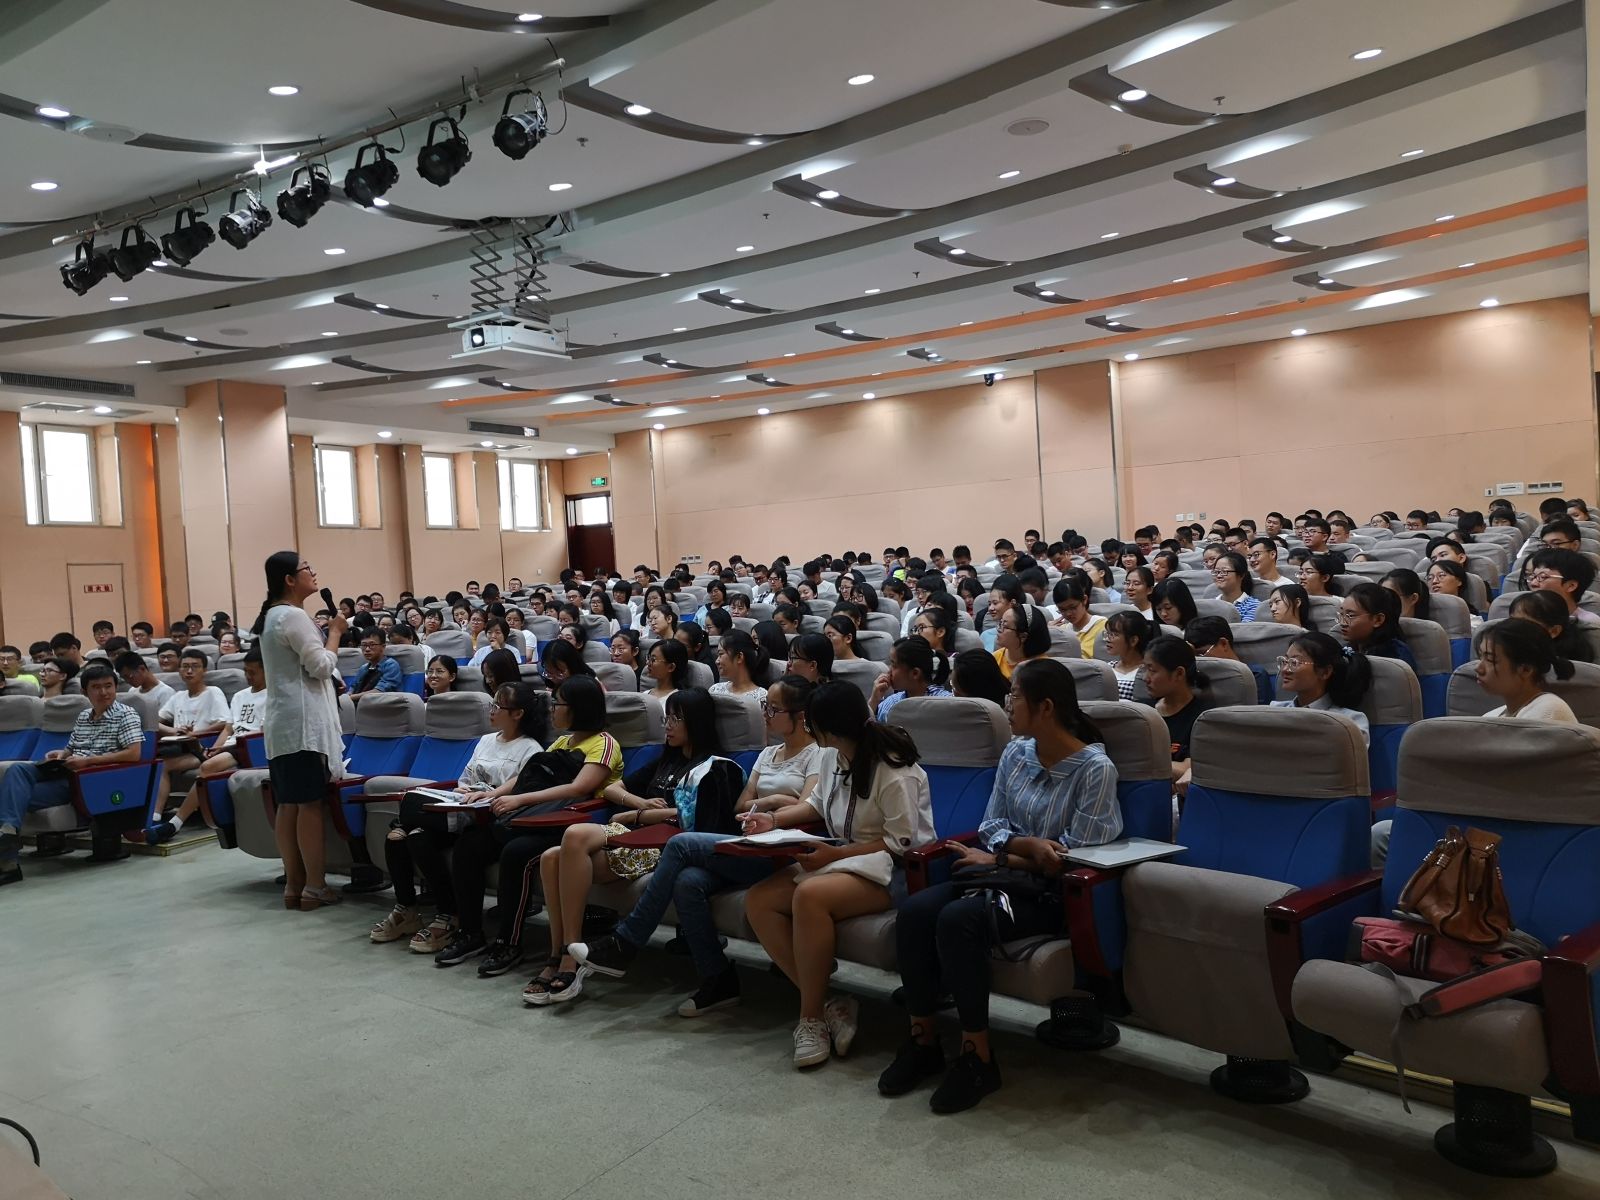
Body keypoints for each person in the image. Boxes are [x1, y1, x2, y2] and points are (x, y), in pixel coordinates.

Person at [879, 659, 1120, 1111]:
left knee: (958, 919)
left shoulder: (1094, 769)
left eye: (1015, 696)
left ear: (1045, 707)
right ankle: (923, 1040)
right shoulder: (1016, 752)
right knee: (914, 913)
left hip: (1051, 895)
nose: (1007, 705)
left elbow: (1071, 856)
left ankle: (978, 1057)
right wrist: (1025, 847)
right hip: (999, 875)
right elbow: (991, 825)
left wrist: (1005, 855)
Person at [573, 677, 826, 1015]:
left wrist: (773, 809)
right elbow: (739, 807)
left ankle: (627, 940)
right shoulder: (768, 754)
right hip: (747, 845)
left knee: (681, 844)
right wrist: (773, 802)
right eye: (765, 707)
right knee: (687, 881)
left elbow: (808, 807)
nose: (765, 714)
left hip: (781, 853)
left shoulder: (818, 755)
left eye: (773, 709)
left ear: (800, 715)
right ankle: (718, 978)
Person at [741, 682, 937, 1069]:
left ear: (828, 729)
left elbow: (900, 843)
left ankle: (810, 1019)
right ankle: (830, 1004)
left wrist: (837, 854)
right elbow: (816, 804)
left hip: (895, 869)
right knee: (759, 900)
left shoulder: (893, 769)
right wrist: (773, 820)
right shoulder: (832, 756)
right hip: (844, 857)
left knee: (809, 895)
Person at [528, 688, 745, 1003]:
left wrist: (638, 814)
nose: (668, 726)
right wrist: (639, 803)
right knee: (551, 857)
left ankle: (568, 959)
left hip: (662, 846)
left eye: (676, 719)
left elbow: (694, 818)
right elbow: (613, 790)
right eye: (666, 718)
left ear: (697, 722)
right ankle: (561, 953)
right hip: (632, 836)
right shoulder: (665, 760)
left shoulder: (713, 768)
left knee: (572, 838)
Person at [428, 675, 623, 970]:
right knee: (470, 843)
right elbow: (526, 778)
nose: (552, 710)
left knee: (516, 853)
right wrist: (494, 794)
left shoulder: (604, 743)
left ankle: (508, 942)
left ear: (578, 708)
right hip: (536, 817)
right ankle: (470, 932)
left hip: (572, 825)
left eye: (558, 703)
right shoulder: (563, 741)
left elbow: (579, 788)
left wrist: (519, 800)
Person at [374, 682, 547, 949]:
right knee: (404, 838)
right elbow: (465, 778)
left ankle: (448, 915)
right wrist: (463, 789)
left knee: (410, 824)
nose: (491, 710)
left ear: (517, 713)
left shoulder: (531, 749)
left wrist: (488, 794)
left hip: (490, 816)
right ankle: (409, 910)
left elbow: (520, 788)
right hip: (463, 806)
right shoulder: (486, 740)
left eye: (497, 706)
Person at [251, 551, 348, 910]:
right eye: (307, 568)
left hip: (283, 723)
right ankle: (316, 886)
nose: (313, 572)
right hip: (303, 724)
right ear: (290, 579)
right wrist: (335, 633)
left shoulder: (272, 616)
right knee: (308, 804)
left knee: (289, 804)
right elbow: (321, 666)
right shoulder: (292, 616)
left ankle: (294, 886)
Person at [0, 662, 142, 884]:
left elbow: (134, 754)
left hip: (90, 780)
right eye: (96, 687)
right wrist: (61, 754)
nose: (103, 692)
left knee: (11, 798)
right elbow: (73, 748)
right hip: (67, 770)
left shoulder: (126, 714)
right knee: (17, 771)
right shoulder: (84, 715)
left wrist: (88, 761)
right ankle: (7, 834)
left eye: (108, 686)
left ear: (116, 687)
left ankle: (8, 862)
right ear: (85, 692)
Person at [146, 648, 268, 846]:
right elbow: (228, 728)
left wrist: (219, 749)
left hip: (249, 746)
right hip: (231, 745)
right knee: (170, 763)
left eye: (252, 672)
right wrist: (217, 748)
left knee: (208, 766)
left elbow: (262, 732)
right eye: (245, 671)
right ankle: (159, 817)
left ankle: (176, 823)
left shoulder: (272, 695)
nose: (248, 676)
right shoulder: (240, 695)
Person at [1270, 631, 1371, 746]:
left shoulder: (1349, 722)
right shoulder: (1274, 711)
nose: (1284, 670)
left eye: (1294, 663)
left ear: (1325, 672)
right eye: (1284, 661)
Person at [1141, 635, 1212, 797]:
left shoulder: (1204, 718)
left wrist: (1138, 762)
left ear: (1179, 673)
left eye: (1152, 670)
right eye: (1144, 669)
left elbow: (1188, 770)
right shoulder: (1142, 712)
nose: (1145, 678)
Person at [1474, 618, 1578, 723]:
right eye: (1480, 656)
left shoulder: (1549, 711)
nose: (1478, 668)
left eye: (1490, 659)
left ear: (1526, 670)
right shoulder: (1491, 716)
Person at [1185, 616, 1273, 704]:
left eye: (1201, 653)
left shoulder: (1255, 675)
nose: (1199, 660)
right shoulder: (1192, 677)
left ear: (1223, 644)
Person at [872, 636, 954, 721]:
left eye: (894, 665)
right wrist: (874, 700)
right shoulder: (890, 703)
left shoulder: (948, 703)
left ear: (915, 673)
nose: (889, 671)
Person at [1338, 582, 1414, 667]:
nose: (1342, 622)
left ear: (1378, 620)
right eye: (1342, 614)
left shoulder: (1395, 658)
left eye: (1351, 616)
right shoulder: (1348, 649)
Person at [1508, 589, 1594, 663]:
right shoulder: (1506, 648)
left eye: (1524, 623)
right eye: (1512, 620)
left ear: (1554, 631)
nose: (1513, 626)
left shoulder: (1564, 665)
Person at [1525, 548, 1599, 625]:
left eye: (1543, 577)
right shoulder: (1521, 614)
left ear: (1571, 586)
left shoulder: (1588, 623)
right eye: (1533, 576)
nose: (1533, 583)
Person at [992, 604, 1051, 679]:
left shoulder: (1044, 669)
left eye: (1005, 626)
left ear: (1023, 636)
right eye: (1000, 623)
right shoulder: (995, 658)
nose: (999, 629)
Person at [1105, 610, 1152, 701]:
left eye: (1114, 634)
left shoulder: (1148, 671)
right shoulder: (1106, 669)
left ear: (1133, 640)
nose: (1107, 639)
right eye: (1107, 633)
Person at [711, 630, 768, 704]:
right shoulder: (715, 691)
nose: (717, 661)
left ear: (739, 657)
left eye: (721, 654)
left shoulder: (762, 698)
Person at [349, 628, 404, 697]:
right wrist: (346, 697)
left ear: (383, 647)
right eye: (364, 645)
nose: (367, 649)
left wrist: (350, 698)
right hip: (361, 702)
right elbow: (353, 688)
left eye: (372, 645)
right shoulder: (363, 668)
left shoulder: (391, 665)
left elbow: (379, 691)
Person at [1210, 551, 1259, 621]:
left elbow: (1244, 628)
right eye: (1216, 572)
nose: (1219, 576)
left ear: (1241, 575)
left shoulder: (1253, 606)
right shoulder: (1210, 605)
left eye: (1224, 571)